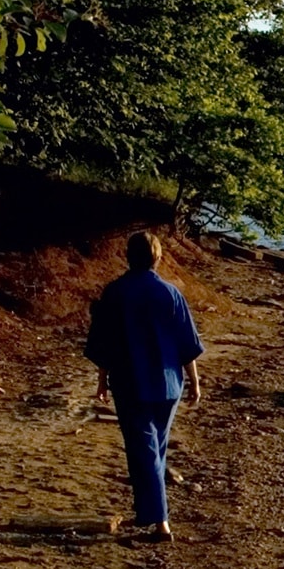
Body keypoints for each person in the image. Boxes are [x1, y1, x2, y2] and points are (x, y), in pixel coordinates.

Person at [86, 231, 204, 540]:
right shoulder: (170, 293)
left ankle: (160, 520)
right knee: (155, 449)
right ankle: (147, 513)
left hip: (131, 382)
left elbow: (105, 342)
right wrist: (194, 380)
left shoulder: (115, 293)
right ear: (158, 257)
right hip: (168, 385)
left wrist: (101, 379)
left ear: (128, 256)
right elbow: (186, 343)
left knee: (144, 450)